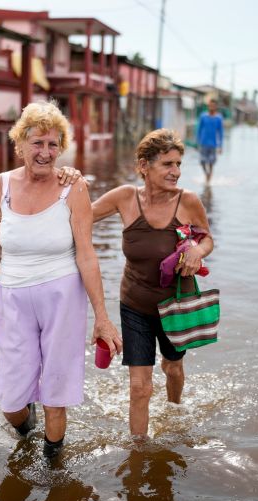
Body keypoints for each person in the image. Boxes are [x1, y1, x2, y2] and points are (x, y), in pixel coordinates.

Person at [0, 101, 122, 459]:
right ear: (19, 145)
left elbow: (86, 254)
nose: (46, 153)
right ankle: (25, 429)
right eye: (37, 143)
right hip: (13, 298)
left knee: (56, 392)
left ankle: (52, 467)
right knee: (11, 399)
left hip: (63, 297)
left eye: (53, 145)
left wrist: (102, 316)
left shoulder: (73, 188)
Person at [90, 129, 214, 437]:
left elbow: (208, 238)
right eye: (167, 164)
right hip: (134, 305)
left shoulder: (188, 201)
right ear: (144, 166)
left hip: (174, 306)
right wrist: (67, 180)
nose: (176, 172)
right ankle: (138, 452)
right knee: (139, 387)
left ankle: (174, 410)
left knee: (172, 367)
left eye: (178, 164)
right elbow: (80, 215)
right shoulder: (124, 198)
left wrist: (197, 250)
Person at [196, 98, 224, 183]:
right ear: (208, 106)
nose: (212, 107)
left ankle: (209, 180)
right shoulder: (203, 116)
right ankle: (206, 174)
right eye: (210, 105)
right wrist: (197, 142)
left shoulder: (218, 118)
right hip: (203, 143)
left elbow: (221, 133)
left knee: (211, 162)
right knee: (202, 162)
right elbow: (199, 129)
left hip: (213, 144)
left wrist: (220, 146)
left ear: (216, 107)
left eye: (213, 106)